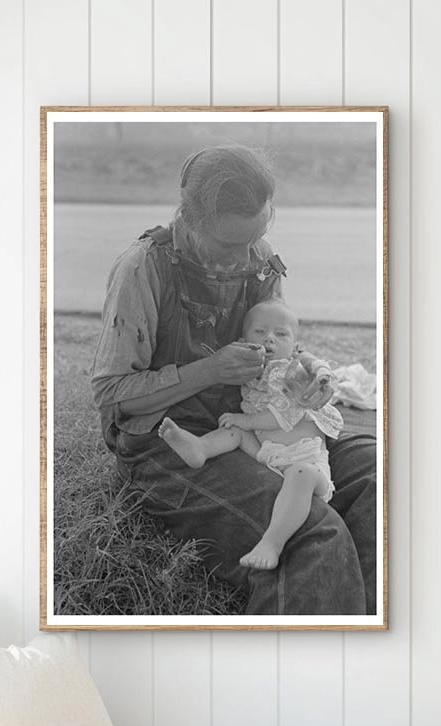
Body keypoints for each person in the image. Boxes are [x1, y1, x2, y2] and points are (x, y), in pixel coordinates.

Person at [90, 143, 377, 615]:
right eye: (230, 245)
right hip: (171, 442)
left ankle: (372, 651)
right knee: (311, 535)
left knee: (376, 474)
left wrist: (304, 378)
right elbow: (111, 394)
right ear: (192, 219)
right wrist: (209, 370)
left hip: (261, 427)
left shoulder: (258, 257)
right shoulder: (142, 268)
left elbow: (282, 346)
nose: (249, 257)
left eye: (258, 235)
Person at [158, 299, 343, 571]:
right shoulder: (252, 373)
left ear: (295, 345)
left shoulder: (296, 370)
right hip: (265, 454)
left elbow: (282, 414)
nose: (270, 338)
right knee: (233, 432)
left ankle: (272, 542)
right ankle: (200, 448)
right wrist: (241, 423)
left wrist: (323, 374)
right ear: (244, 340)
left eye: (281, 334)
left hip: (308, 464)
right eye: (260, 332)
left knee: (298, 474)